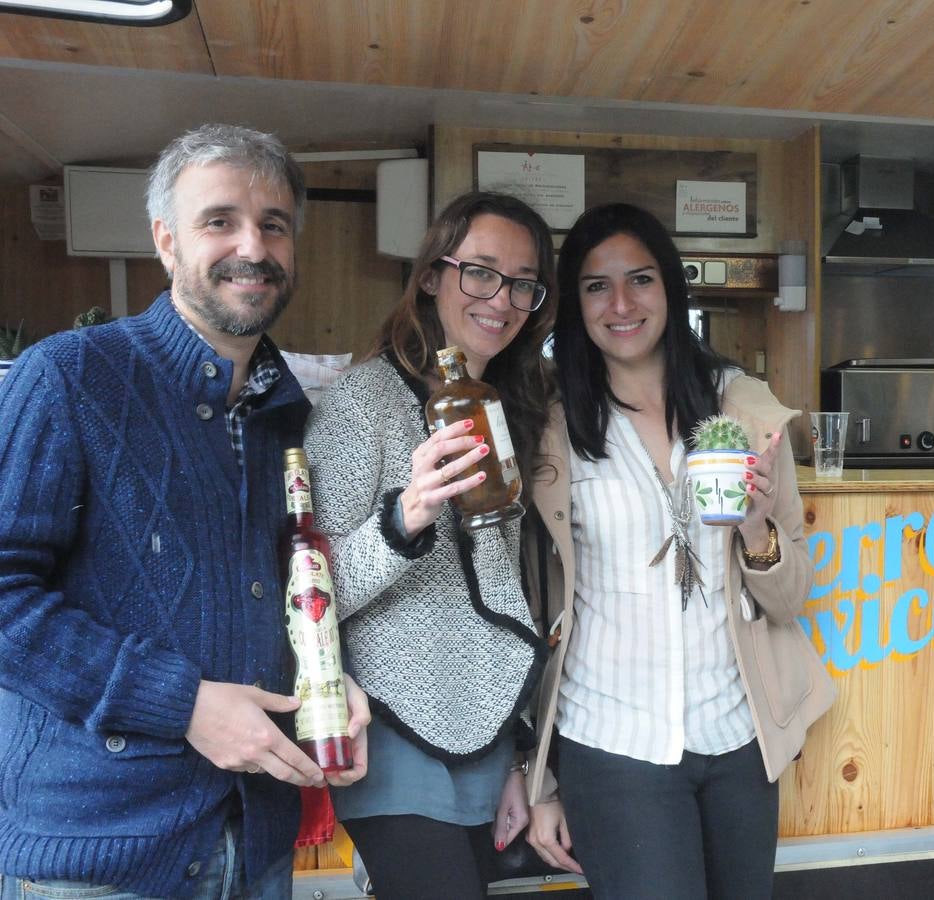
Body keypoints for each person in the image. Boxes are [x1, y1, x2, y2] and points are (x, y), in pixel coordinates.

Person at [0, 123, 370, 900]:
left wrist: (327, 684)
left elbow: (275, 597)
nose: (253, 246)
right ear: (166, 242)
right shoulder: (67, 377)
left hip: (255, 842)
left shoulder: (287, 417)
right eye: (220, 220)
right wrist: (182, 706)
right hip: (98, 858)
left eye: (274, 225)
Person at [523, 203, 835, 899]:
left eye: (640, 280)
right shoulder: (549, 424)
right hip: (611, 741)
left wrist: (755, 528)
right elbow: (528, 603)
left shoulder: (743, 412)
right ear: (575, 304)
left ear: (670, 288)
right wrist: (537, 775)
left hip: (736, 737)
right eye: (597, 286)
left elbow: (788, 598)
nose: (622, 304)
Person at [303, 191, 556, 899]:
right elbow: (312, 594)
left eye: (523, 284)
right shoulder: (362, 402)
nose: (501, 299)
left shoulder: (505, 403)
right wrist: (404, 515)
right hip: (390, 728)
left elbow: (504, 594)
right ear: (431, 277)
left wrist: (516, 757)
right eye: (479, 271)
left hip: (483, 724)